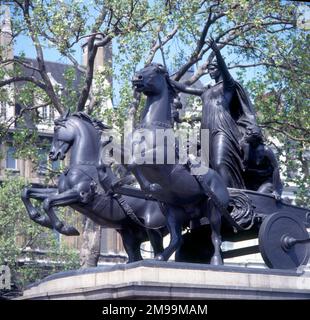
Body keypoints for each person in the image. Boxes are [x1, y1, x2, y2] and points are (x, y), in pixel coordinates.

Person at [171, 38, 257, 188]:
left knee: (220, 162)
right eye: (209, 69)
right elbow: (184, 88)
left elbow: (226, 71)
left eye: (213, 68)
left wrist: (217, 52)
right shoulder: (206, 90)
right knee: (205, 168)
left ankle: (231, 198)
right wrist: (164, 77)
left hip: (222, 128)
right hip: (205, 132)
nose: (210, 71)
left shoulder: (228, 85)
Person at [240, 125, 283, 200]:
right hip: (252, 180)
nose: (245, 136)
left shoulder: (266, 150)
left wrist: (276, 190)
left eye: (248, 134)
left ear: (255, 137)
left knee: (258, 198)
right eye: (245, 133)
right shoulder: (244, 145)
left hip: (267, 181)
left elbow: (276, 168)